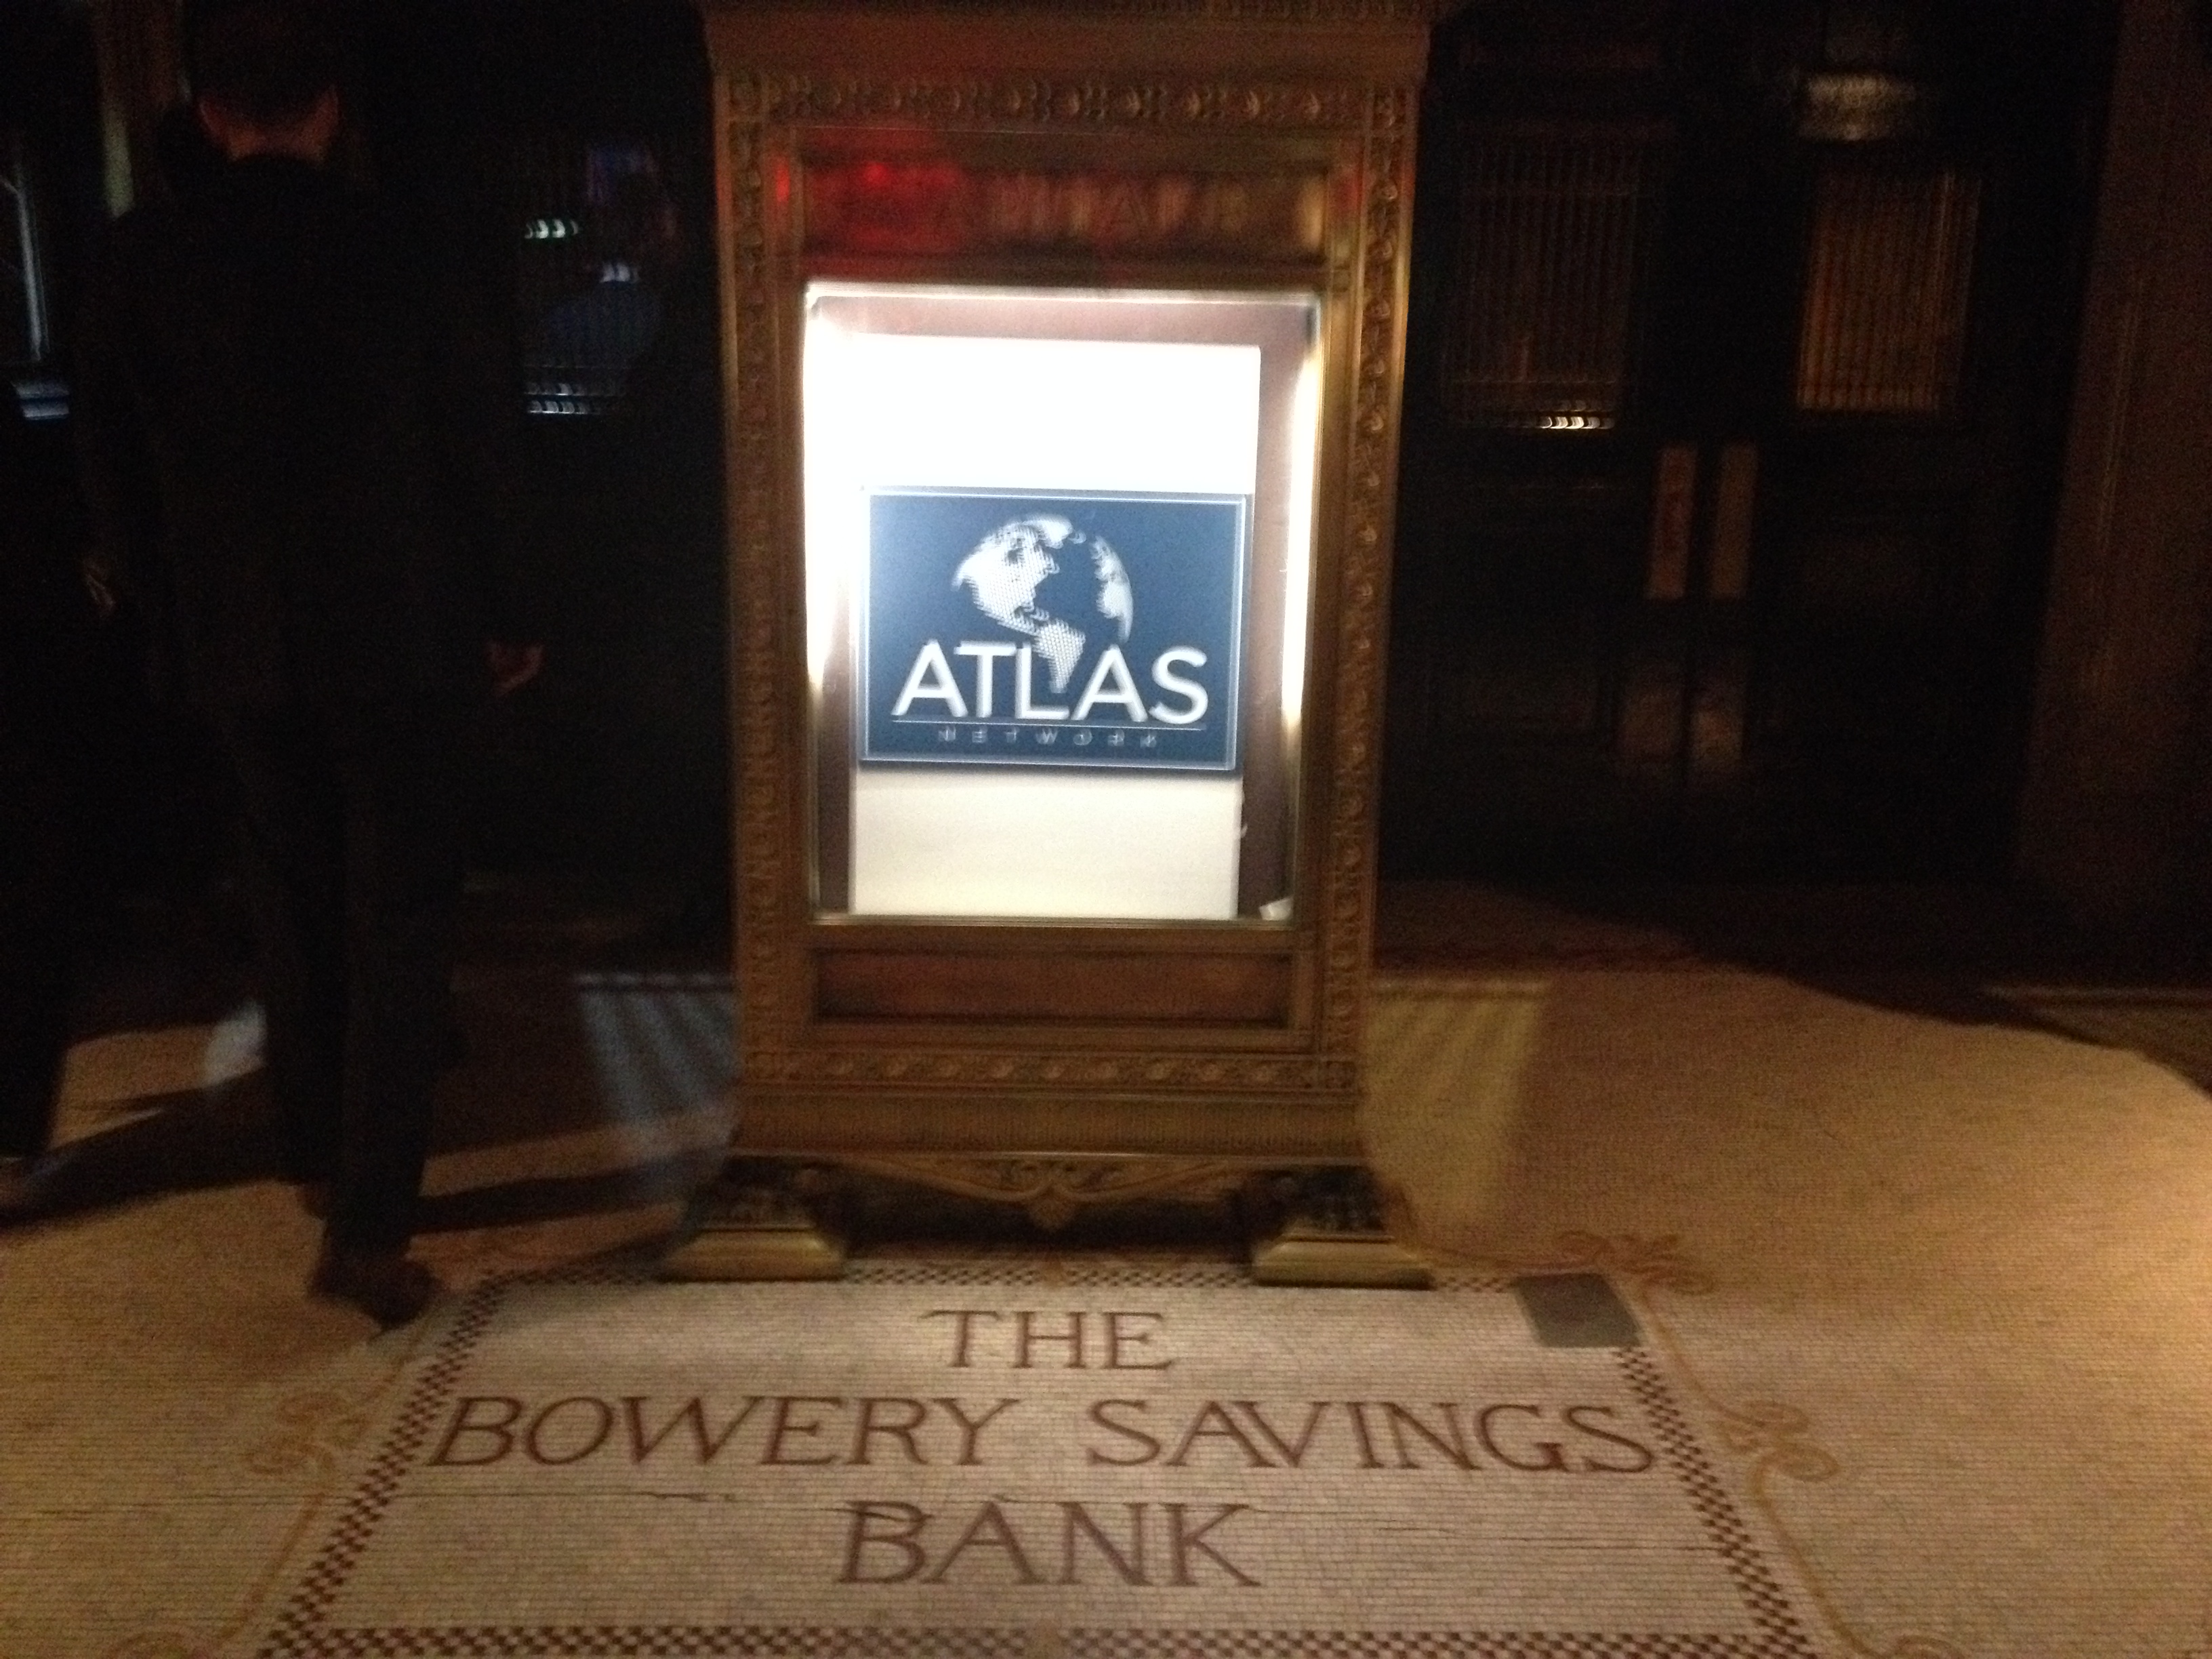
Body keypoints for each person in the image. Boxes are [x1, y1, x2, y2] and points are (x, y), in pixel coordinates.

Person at [73, 0, 541, 1322]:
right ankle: (371, 1223)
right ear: (331, 109)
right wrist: (512, 605)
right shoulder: (402, 245)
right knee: (399, 914)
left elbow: (110, 465)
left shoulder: (138, 258)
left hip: (234, 639)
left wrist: (163, 606)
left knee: (288, 895)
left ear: (209, 113)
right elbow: (479, 439)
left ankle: (315, 1152)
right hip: (402, 629)